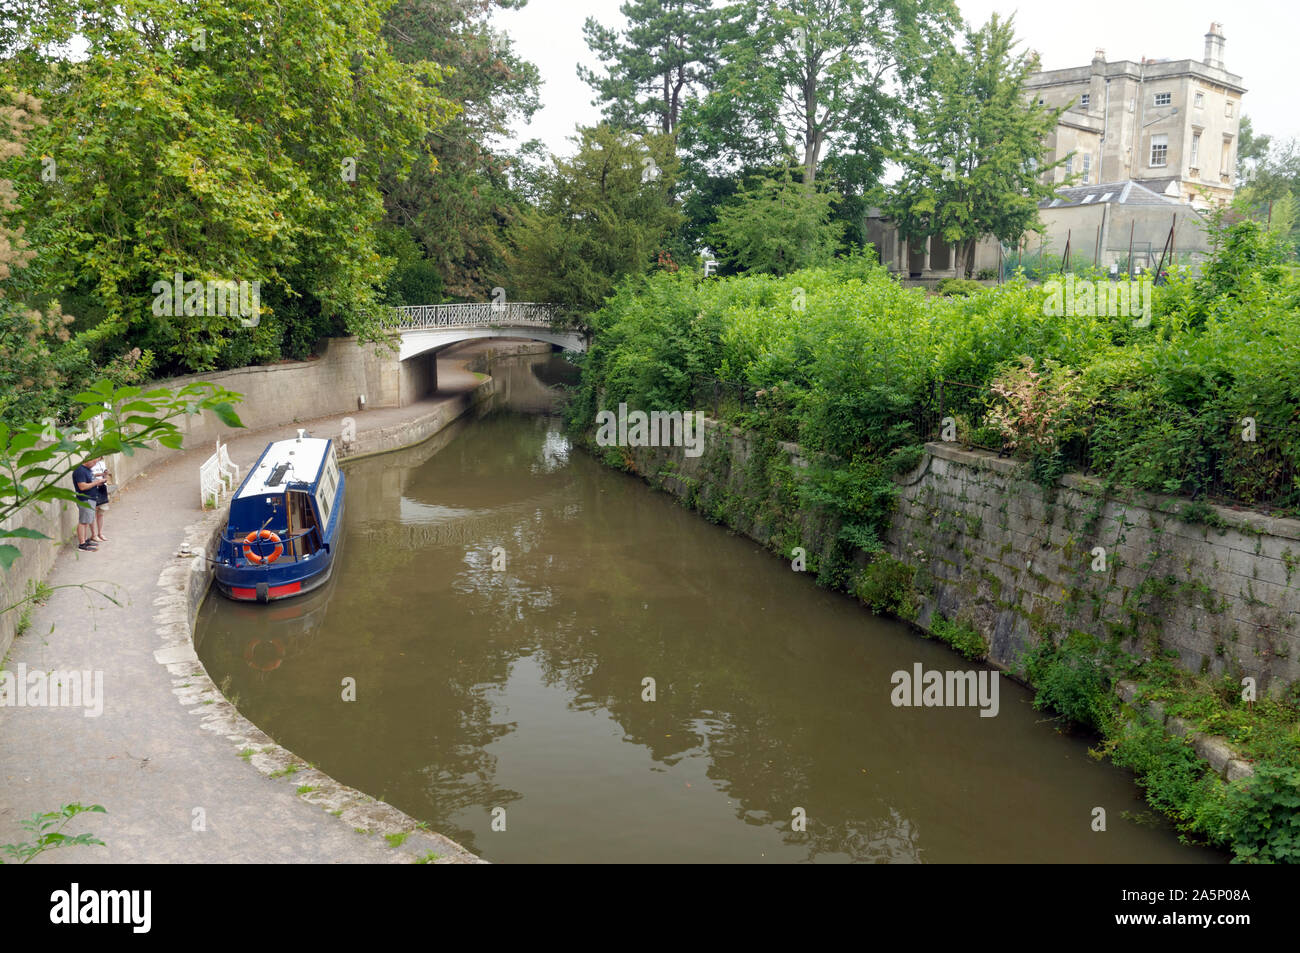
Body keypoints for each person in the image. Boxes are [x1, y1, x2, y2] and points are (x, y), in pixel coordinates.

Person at [72, 457, 104, 552]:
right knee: (83, 522)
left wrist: (98, 481)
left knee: (86, 521)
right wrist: (96, 482)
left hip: (91, 498)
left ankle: (85, 540)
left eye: (96, 462)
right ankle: (82, 544)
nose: (94, 464)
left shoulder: (87, 470)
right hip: (85, 499)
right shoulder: (80, 470)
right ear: (88, 459)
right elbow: (82, 486)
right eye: (94, 461)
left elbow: (89, 481)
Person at [90, 458, 111, 542]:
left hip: (102, 488)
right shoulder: (90, 462)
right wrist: (101, 474)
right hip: (93, 488)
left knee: (101, 512)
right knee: (93, 512)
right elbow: (90, 476)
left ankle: (100, 533)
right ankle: (93, 534)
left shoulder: (102, 462)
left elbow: (104, 476)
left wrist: (105, 474)